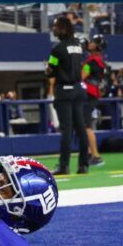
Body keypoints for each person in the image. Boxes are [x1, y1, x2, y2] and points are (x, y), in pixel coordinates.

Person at [47, 17, 89, 175]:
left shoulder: (56, 49)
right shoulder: (78, 46)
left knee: (66, 130)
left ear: (63, 28)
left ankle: (64, 166)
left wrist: (48, 68)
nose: (54, 29)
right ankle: (83, 165)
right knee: (81, 128)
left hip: (64, 91)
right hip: (78, 90)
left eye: (56, 27)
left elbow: (50, 70)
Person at [81, 35, 106, 166]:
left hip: (89, 94)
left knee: (86, 126)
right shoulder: (98, 60)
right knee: (86, 125)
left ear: (97, 46)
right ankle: (91, 154)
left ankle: (95, 155)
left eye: (93, 42)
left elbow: (81, 76)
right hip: (93, 94)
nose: (90, 43)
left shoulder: (91, 62)